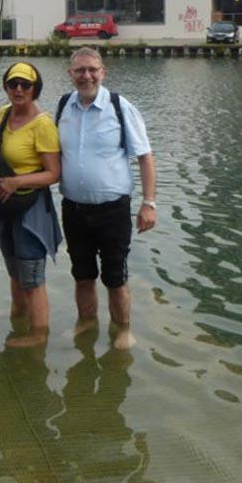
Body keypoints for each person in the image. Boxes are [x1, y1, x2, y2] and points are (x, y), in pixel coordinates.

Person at [56, 47, 156, 350]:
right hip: (73, 209)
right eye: (79, 70)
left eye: (92, 69)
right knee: (82, 275)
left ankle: (122, 329)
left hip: (113, 210)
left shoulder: (120, 107)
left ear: (103, 72)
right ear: (70, 74)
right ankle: (86, 323)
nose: (86, 76)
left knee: (116, 276)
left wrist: (148, 203)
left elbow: (145, 158)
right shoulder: (63, 107)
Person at [0, 62, 62, 348]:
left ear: (35, 88)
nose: (18, 89)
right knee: (14, 271)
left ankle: (38, 335)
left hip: (30, 208)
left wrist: (15, 183)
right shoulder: (3, 114)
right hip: (6, 208)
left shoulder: (43, 124)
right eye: (13, 84)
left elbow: (54, 173)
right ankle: (18, 317)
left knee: (32, 275)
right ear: (6, 87)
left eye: (25, 85)